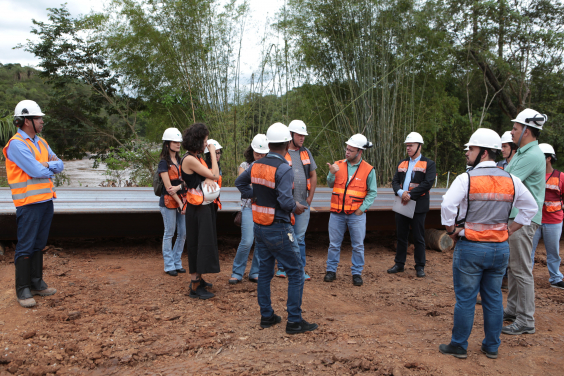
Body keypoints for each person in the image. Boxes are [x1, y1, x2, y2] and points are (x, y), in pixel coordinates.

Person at [439, 128, 537, 359]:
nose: (467, 153)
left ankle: (459, 345)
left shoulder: (467, 179)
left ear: (483, 153)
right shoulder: (512, 180)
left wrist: (451, 230)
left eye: (471, 149)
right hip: (500, 248)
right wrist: (511, 228)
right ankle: (492, 346)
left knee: (466, 299)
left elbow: (447, 206)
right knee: (493, 298)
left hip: (471, 247)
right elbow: (531, 208)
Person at [235, 122, 318, 334]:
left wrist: (254, 196)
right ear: (287, 142)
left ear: (270, 144)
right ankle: (294, 321)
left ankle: (267, 316)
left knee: (264, 272)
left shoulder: (256, 165)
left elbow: (240, 183)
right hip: (279, 228)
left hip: (260, 227)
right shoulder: (283, 169)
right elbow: (284, 199)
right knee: (296, 272)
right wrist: (296, 207)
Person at [3, 100, 64, 308]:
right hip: (28, 203)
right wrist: (47, 167)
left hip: (46, 201)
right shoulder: (17, 145)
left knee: (39, 244)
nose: (42, 121)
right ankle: (22, 289)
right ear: (26, 120)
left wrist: (45, 164)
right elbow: (35, 172)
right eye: (38, 118)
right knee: (26, 245)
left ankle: (37, 283)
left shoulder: (41, 142)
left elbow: (60, 165)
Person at [502, 108, 547, 336]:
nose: (511, 132)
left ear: (527, 131)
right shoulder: (522, 153)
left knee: (521, 270)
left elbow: (507, 181)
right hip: (517, 217)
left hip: (523, 219)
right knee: (514, 267)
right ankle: (512, 309)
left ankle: (526, 319)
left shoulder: (531, 155)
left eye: (515, 128)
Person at [323, 134, 377, 286]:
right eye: (347, 149)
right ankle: (331, 271)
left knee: (358, 245)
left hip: (356, 215)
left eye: (351, 150)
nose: (347, 152)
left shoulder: (368, 170)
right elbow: (329, 184)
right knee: (334, 244)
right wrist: (331, 173)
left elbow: (372, 192)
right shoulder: (338, 165)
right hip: (337, 213)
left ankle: (357, 273)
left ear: (360, 152)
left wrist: (362, 209)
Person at [181, 123, 221, 300]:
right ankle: (195, 285)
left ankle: (200, 278)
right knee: (198, 243)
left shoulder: (196, 158)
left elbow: (209, 177)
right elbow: (215, 174)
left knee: (205, 241)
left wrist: (209, 177)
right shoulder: (189, 159)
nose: (207, 143)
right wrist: (212, 152)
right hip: (196, 208)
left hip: (203, 206)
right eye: (205, 140)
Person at [388, 132, 436, 278]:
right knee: (401, 235)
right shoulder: (402, 163)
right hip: (403, 203)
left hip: (418, 205)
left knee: (418, 236)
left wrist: (410, 195)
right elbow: (395, 181)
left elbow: (427, 183)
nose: (408, 148)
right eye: (407, 145)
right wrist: (401, 192)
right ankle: (399, 264)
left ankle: (420, 266)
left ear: (419, 146)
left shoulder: (429, 164)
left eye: (411, 145)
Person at [275, 120, 317, 281]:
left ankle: (299, 269)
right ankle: (282, 268)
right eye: (299, 135)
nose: (302, 138)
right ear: (290, 135)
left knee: (299, 237)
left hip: (303, 203)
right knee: (285, 235)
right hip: (285, 204)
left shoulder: (306, 152)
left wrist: (310, 197)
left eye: (304, 135)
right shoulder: (282, 154)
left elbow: (313, 175)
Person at [229, 134, 269, 284]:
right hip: (248, 207)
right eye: (257, 153)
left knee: (261, 241)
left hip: (263, 208)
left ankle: (255, 272)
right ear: (251, 151)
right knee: (247, 240)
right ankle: (237, 272)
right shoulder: (244, 166)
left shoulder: (269, 166)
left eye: (262, 154)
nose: (259, 156)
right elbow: (244, 185)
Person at [530, 143, 564, 289]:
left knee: (553, 251)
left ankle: (556, 278)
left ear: (548, 158)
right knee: (528, 250)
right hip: (534, 219)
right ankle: (525, 277)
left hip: (554, 220)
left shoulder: (560, 177)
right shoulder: (533, 175)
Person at [157, 128, 186, 277]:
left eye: (179, 142)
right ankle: (169, 265)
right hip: (169, 202)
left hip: (181, 200)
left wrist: (180, 189)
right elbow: (169, 188)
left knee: (183, 232)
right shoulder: (163, 163)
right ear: (167, 144)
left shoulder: (181, 161)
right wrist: (180, 203)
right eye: (175, 142)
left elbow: (185, 182)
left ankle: (177, 261)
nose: (178, 144)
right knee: (169, 232)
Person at [204, 139, 223, 212]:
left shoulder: (218, 167)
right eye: (215, 153)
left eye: (218, 153)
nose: (217, 155)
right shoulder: (204, 166)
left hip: (215, 202)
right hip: (207, 202)